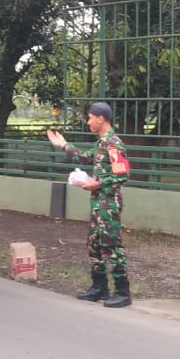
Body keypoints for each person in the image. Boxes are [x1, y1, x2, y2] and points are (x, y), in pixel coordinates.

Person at [45, 102, 132, 308]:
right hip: (98, 202)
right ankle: (99, 286)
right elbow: (86, 158)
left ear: (101, 119)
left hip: (108, 204)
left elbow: (123, 174)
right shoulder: (102, 143)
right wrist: (65, 145)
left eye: (90, 117)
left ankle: (122, 291)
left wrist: (98, 183)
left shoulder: (113, 144)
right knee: (94, 244)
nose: (88, 121)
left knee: (111, 246)